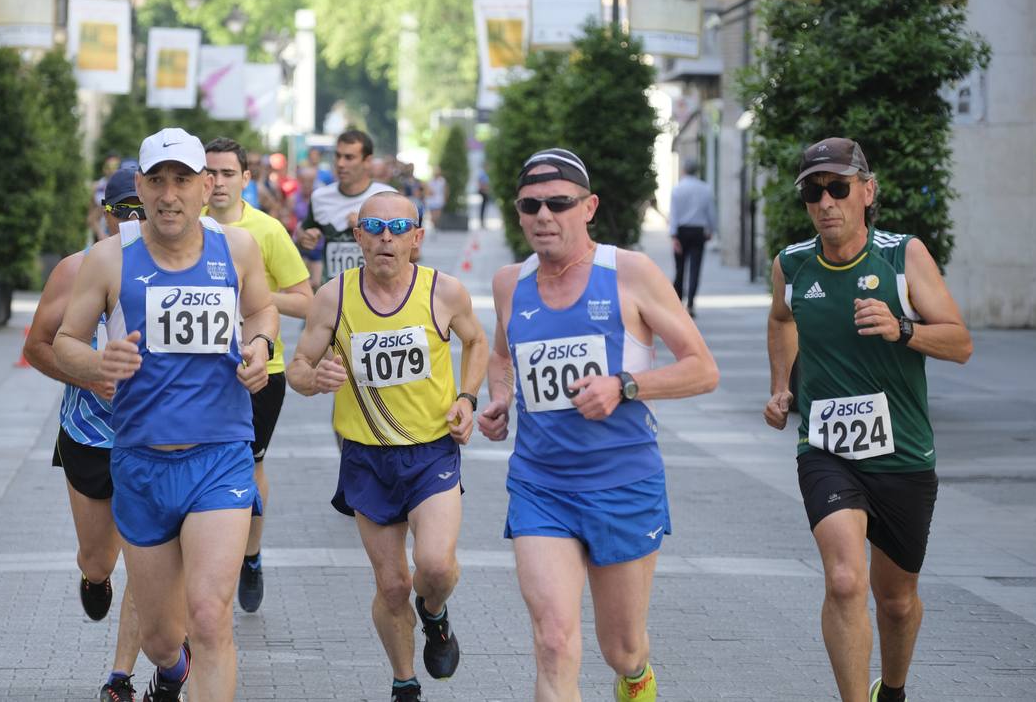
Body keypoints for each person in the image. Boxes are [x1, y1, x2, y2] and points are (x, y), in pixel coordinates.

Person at [477, 148, 719, 702]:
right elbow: (500, 354)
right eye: (530, 205)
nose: (544, 215)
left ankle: (636, 678)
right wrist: (500, 399)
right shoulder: (510, 283)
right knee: (555, 642)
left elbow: (702, 369)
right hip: (541, 487)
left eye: (558, 203)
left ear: (588, 207)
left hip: (623, 485)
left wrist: (624, 386)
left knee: (623, 649)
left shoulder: (629, 272)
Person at [54, 127, 280, 702]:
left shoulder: (238, 248)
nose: (170, 194)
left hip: (219, 459)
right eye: (158, 181)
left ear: (207, 187)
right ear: (140, 187)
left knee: (209, 617)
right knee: (161, 638)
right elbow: (63, 343)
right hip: (140, 463)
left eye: (183, 180)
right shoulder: (110, 259)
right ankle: (170, 669)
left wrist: (259, 348)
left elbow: (261, 311)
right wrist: (99, 361)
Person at [763, 137, 972, 702]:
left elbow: (960, 343)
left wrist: (903, 328)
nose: (826, 201)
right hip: (826, 449)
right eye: (813, 190)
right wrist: (782, 387)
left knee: (897, 600)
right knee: (844, 579)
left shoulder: (903, 256)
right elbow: (782, 320)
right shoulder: (791, 264)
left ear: (867, 191)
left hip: (903, 453)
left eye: (838, 188)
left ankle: (894, 690)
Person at [287, 191, 489, 702]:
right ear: (356, 237)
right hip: (366, 456)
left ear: (416, 239)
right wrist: (316, 378)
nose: (385, 237)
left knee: (436, 567)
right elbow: (296, 369)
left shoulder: (444, 291)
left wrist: (467, 397)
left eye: (398, 228)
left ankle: (436, 615)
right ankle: (404, 684)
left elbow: (477, 341)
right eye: (373, 226)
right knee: (394, 585)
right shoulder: (332, 297)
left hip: (431, 451)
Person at [25, 168, 145, 702]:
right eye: (122, 213)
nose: (131, 224)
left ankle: (121, 677)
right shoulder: (76, 270)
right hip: (89, 436)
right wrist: (90, 374)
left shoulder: (186, 271)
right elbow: (37, 347)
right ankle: (95, 579)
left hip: (158, 441)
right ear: (105, 214)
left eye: (140, 212)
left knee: (151, 560)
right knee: (100, 558)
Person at [202, 137, 314, 613]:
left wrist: (254, 297)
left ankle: (249, 555)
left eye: (228, 173)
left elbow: (305, 299)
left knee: (250, 464)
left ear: (246, 179)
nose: (218, 182)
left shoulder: (266, 231)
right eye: (209, 173)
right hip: (200, 370)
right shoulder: (185, 227)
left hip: (259, 369)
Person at [295, 129, 395, 283]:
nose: (340, 163)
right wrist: (304, 240)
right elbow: (302, 237)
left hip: (378, 296)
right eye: (338, 156)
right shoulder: (320, 197)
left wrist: (369, 226)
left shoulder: (388, 196)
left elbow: (411, 252)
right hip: (335, 297)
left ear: (367, 161)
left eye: (349, 157)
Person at [668, 159, 716, 317]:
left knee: (680, 269)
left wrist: (674, 235)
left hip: (681, 232)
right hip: (698, 232)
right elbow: (711, 212)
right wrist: (710, 229)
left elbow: (673, 214)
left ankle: (677, 304)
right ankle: (691, 304)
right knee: (695, 268)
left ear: (684, 170)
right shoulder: (706, 188)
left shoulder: (677, 189)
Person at [89, 154, 124, 241]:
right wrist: (101, 234)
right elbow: (90, 218)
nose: (112, 170)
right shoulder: (97, 187)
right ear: (104, 168)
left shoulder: (125, 188)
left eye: (115, 166)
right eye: (109, 167)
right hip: (101, 235)